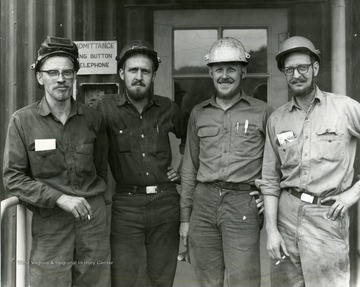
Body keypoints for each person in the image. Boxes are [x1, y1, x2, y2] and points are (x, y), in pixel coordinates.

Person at [2, 36, 111, 286]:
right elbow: (13, 178)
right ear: (40, 77)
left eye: (67, 72)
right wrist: (58, 198)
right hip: (51, 223)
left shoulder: (93, 119)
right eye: (52, 72)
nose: (60, 79)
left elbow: (101, 169)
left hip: (92, 220)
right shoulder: (23, 121)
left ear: (74, 77)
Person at [256, 36, 360, 287]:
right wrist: (272, 231)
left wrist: (353, 194)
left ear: (315, 68)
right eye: (289, 70)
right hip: (286, 214)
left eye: (303, 67)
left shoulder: (345, 108)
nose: (296, 75)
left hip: (326, 216)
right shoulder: (277, 120)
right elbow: (270, 180)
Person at [180, 37, 271, 287]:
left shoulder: (263, 111)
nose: (225, 75)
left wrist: (269, 194)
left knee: (244, 280)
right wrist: (185, 219)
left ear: (244, 71)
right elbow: (189, 168)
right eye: (219, 69)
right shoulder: (199, 113)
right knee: (207, 280)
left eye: (232, 69)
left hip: (242, 203)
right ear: (210, 73)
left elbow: (276, 163)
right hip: (203, 203)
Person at [96, 40, 187, 287]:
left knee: (161, 277)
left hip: (166, 204)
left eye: (145, 71)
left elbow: (192, 138)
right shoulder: (105, 108)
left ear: (153, 76)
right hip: (127, 205)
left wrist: (181, 171)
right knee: (124, 277)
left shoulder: (168, 107)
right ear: (122, 73)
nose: (139, 77)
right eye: (133, 70)